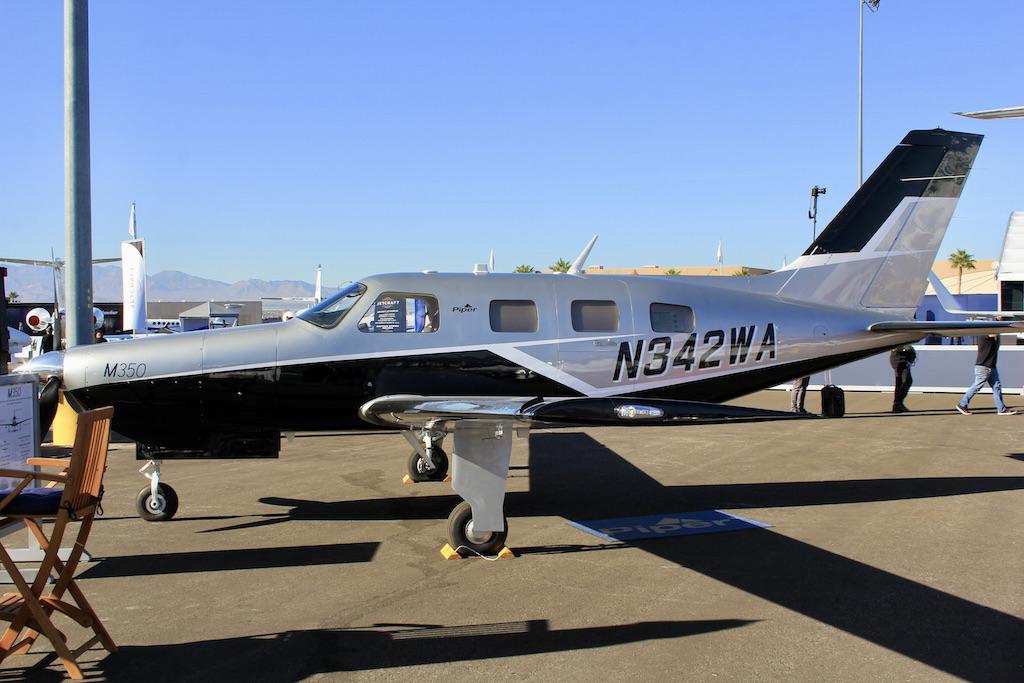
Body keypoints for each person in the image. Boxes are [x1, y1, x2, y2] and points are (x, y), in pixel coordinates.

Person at [955, 334, 1017, 415]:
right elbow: (992, 334)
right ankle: (962, 404)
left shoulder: (993, 335)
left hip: (991, 367)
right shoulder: (985, 334)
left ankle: (1001, 409)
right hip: (983, 367)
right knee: (977, 386)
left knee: (996, 387)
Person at [889, 344, 916, 412]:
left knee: (901, 381)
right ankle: (897, 403)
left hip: (900, 356)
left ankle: (898, 404)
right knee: (905, 381)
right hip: (900, 356)